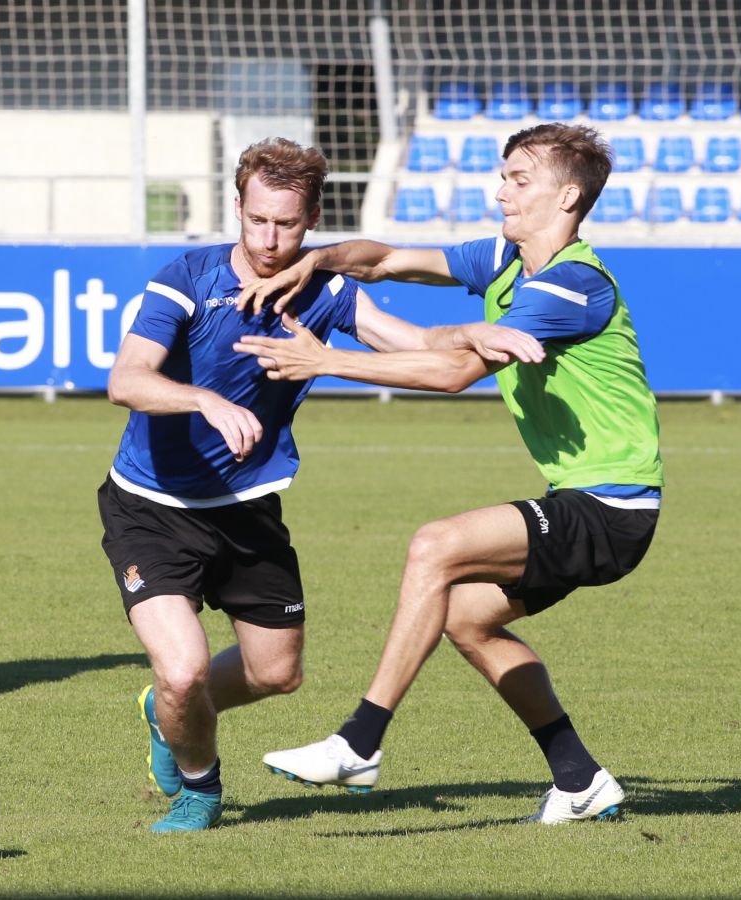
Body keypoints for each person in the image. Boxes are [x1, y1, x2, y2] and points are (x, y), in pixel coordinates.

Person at [98, 137, 539, 833]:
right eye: (257, 221)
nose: (270, 241)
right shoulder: (184, 278)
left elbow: (413, 345)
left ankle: (163, 712)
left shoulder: (324, 290)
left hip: (246, 510)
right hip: (151, 509)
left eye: (288, 225)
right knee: (182, 668)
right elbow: (126, 380)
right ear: (236, 207)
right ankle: (198, 788)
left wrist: (483, 334)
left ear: (311, 220)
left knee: (276, 674)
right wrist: (204, 401)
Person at [235, 122, 663, 823]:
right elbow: (383, 260)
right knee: (468, 620)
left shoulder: (570, 286)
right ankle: (579, 779)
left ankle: (359, 740)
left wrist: (327, 361)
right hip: (583, 500)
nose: (500, 191)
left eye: (518, 180)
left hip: (612, 508)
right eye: (502, 176)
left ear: (567, 197)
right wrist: (319, 261)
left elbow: (454, 372)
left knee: (435, 544)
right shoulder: (503, 258)